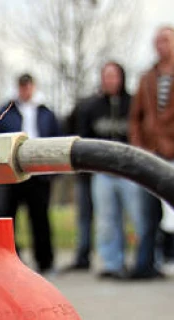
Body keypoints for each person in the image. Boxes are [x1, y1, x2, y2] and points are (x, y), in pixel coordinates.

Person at [129, 25, 174, 279]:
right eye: (158, 40)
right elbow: (136, 118)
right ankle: (145, 264)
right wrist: (138, 147)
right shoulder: (146, 78)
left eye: (167, 40)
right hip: (151, 154)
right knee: (148, 214)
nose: (162, 45)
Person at [76, 62, 142, 280]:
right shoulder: (92, 107)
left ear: (121, 78)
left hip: (131, 171)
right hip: (102, 172)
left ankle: (146, 261)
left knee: (139, 217)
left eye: (113, 76)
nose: (109, 80)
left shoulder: (133, 104)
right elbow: (82, 137)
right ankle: (112, 263)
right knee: (106, 220)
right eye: (106, 76)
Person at [0, 74, 61, 274]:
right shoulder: (6, 112)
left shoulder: (46, 112)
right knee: (8, 217)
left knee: (40, 219)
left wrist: (53, 171)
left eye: (28, 86)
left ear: (33, 87)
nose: (25, 90)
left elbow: (56, 138)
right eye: (22, 87)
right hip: (12, 173)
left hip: (39, 173)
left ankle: (45, 261)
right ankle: (10, 260)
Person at [63, 97, 96, 272]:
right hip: (84, 174)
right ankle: (83, 254)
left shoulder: (90, 108)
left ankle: (85, 255)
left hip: (91, 172)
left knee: (95, 218)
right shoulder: (81, 111)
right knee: (84, 217)